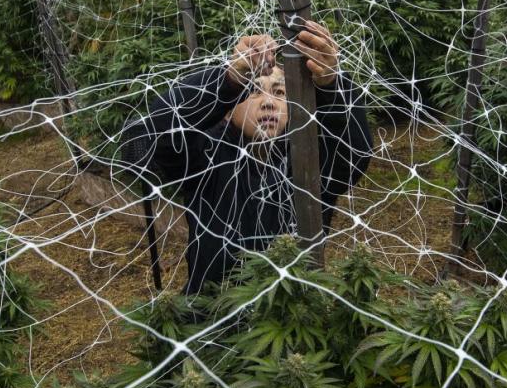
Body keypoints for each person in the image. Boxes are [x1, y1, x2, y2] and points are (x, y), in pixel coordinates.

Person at [122, 19, 373, 294]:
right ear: (228, 109)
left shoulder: (312, 159)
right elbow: (157, 131)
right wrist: (228, 79)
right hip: (212, 314)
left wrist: (331, 83)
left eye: (280, 92)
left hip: (292, 313)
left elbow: (355, 155)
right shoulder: (205, 153)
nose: (268, 102)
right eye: (253, 91)